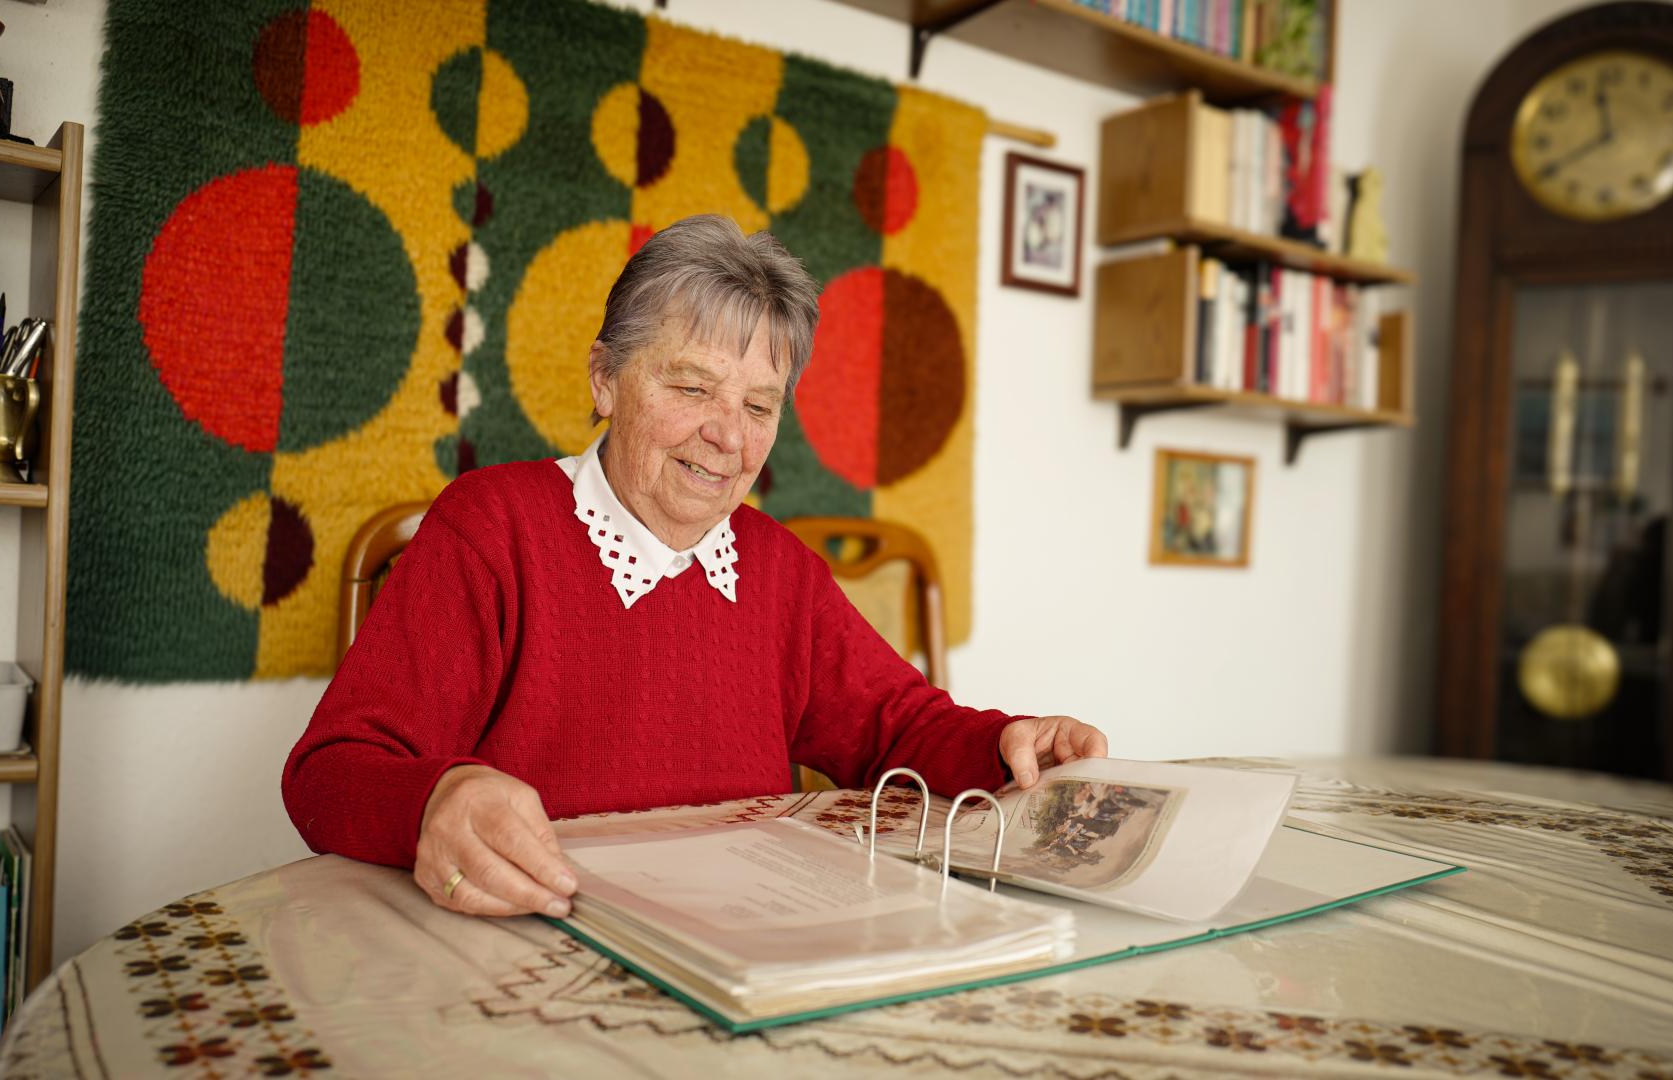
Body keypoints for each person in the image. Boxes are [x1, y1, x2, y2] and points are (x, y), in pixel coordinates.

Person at [282, 214, 1108, 920]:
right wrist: (437, 798)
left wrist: (1005, 744)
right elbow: (330, 770)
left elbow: (898, 727)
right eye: (691, 388)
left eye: (758, 406)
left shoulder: (780, 572)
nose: (729, 436)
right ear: (606, 379)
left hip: (739, 947)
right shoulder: (493, 526)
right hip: (539, 941)